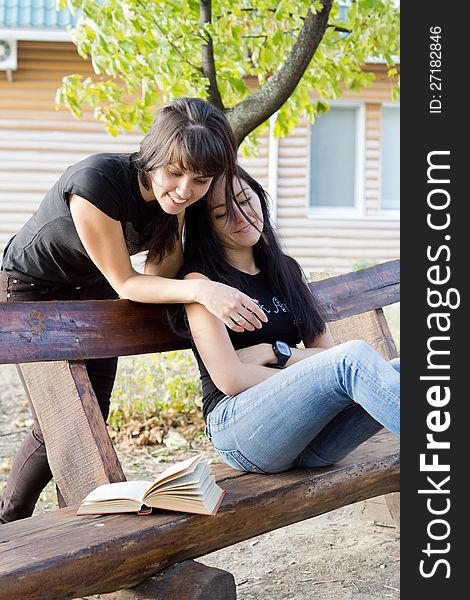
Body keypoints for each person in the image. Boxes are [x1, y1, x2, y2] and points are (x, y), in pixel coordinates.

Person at [0, 97, 268, 523]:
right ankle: (10, 520)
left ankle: (63, 518)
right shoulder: (97, 183)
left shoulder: (178, 206)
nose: (184, 190)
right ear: (152, 155)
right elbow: (127, 282)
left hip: (93, 289)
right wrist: (203, 293)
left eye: (200, 181)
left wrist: (181, 239)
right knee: (62, 417)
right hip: (31, 288)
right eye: (174, 173)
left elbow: (157, 275)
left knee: (89, 415)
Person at [176, 167, 400, 475]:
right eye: (221, 214)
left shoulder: (287, 270)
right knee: (351, 359)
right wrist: (319, 381)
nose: (241, 216)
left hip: (310, 440)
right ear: (207, 227)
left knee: (402, 369)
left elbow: (326, 354)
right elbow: (230, 379)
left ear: (260, 198)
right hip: (240, 432)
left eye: (245, 200)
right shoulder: (203, 282)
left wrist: (276, 352)